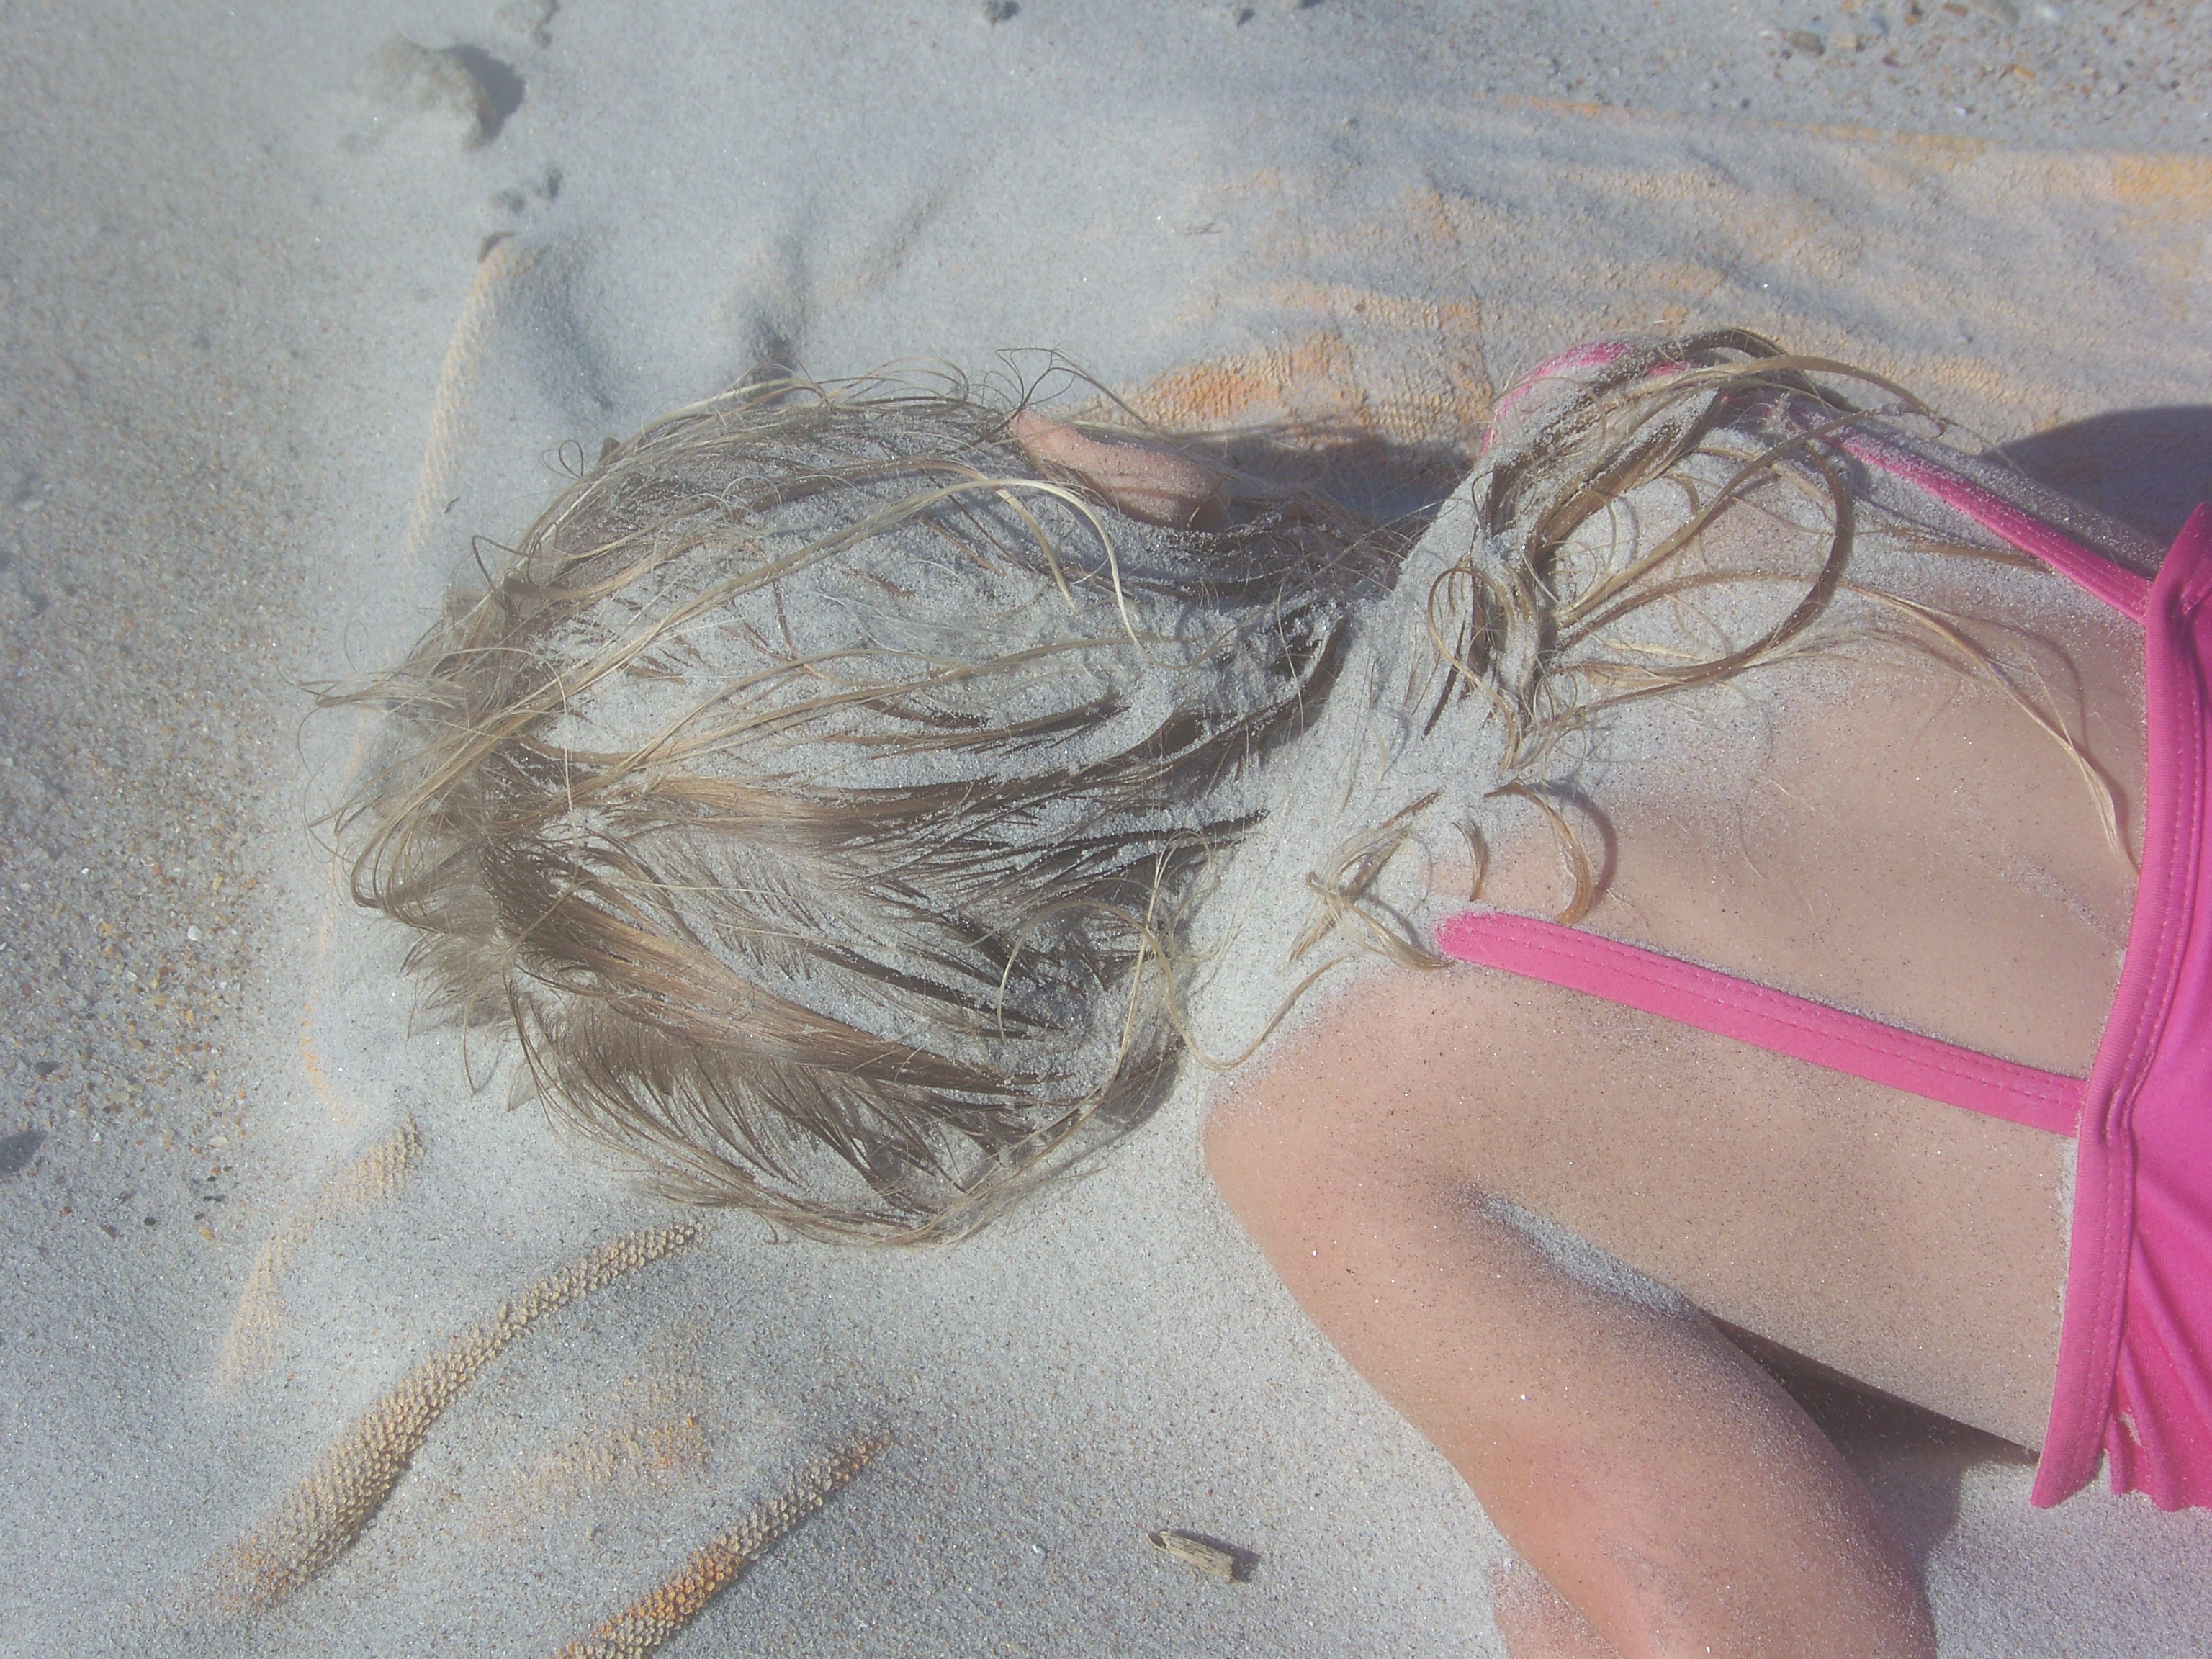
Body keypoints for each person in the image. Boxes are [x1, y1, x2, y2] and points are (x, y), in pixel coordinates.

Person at [330, 335, 2211, 1658]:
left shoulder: (1338, 1101)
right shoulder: (1622, 421)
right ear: (1115, 470)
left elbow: (1790, 1630)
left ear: (996, 1050)